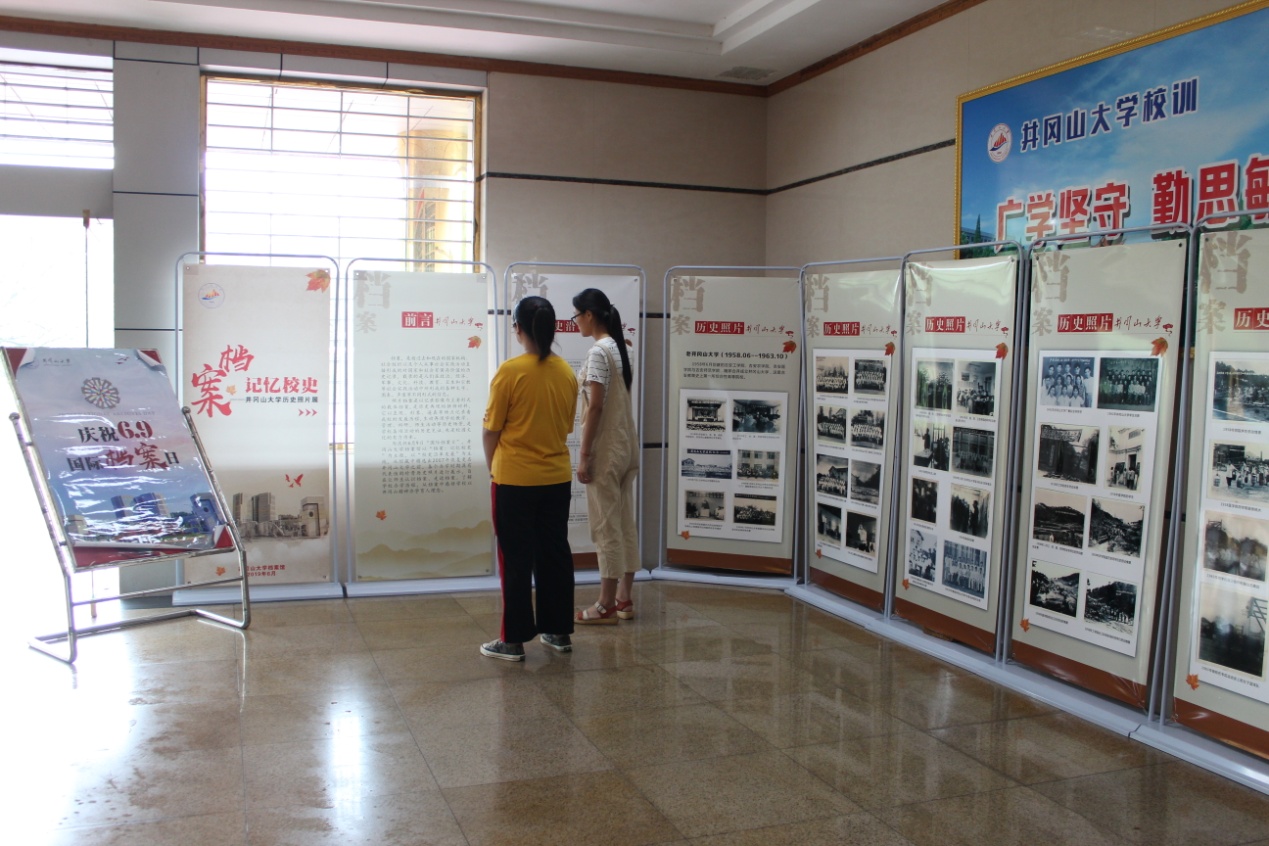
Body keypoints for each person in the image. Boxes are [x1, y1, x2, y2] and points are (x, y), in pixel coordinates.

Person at [479, 296, 580, 661]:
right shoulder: (566, 372)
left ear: (518, 328)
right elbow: (565, 427)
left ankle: (513, 640)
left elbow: (491, 430)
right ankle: (558, 632)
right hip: (556, 479)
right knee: (555, 555)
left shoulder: (510, 371)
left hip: (514, 481)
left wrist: (493, 467)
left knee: (515, 560)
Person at [572, 288, 641, 624]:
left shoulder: (599, 351)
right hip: (627, 446)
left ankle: (605, 605)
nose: (575, 322)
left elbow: (596, 406)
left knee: (605, 525)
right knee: (624, 521)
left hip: (607, 450)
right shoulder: (620, 348)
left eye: (576, 315)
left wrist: (584, 455)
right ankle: (624, 598)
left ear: (589, 314)